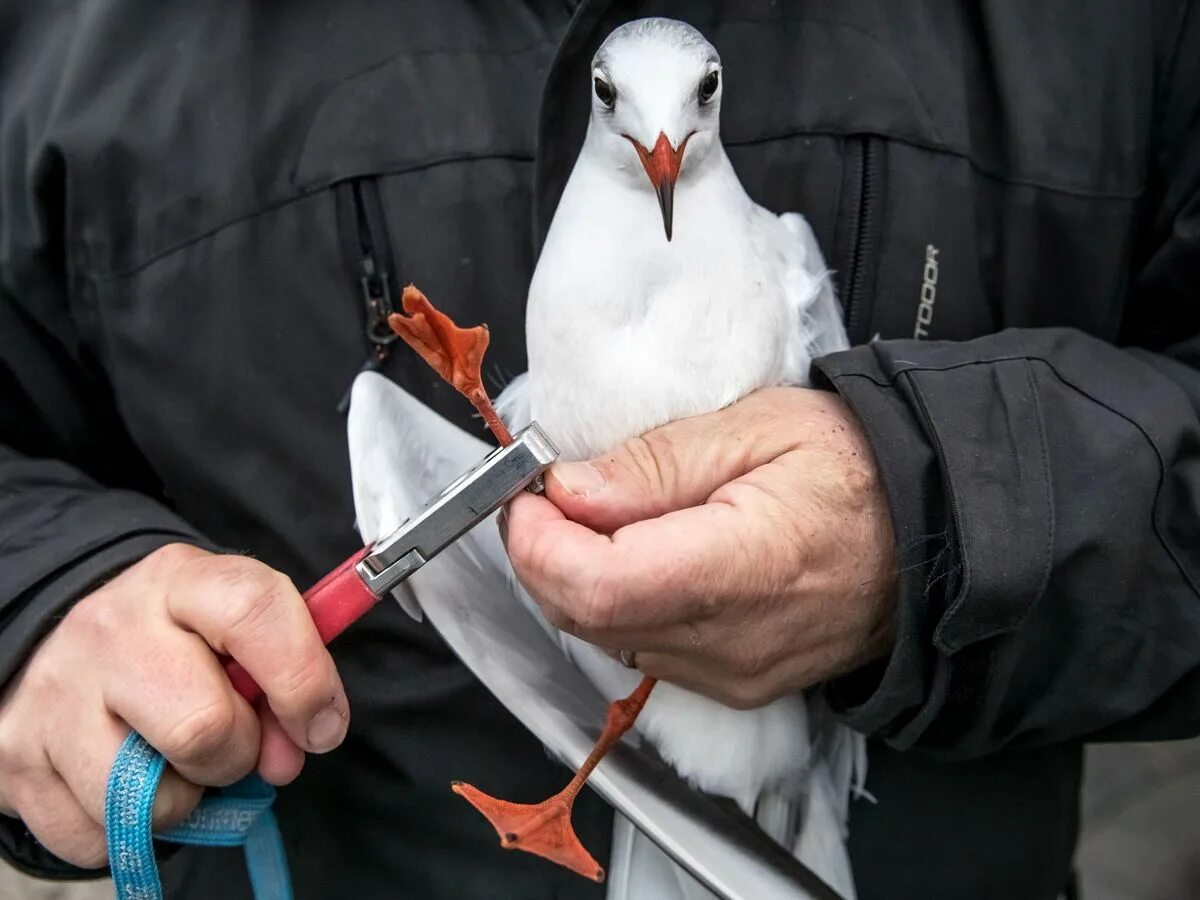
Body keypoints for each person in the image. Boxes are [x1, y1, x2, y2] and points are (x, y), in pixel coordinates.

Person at [0, 3, 1196, 898]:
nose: (663, 148)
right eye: (631, 113)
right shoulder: (74, 38)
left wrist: (924, 523)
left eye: (693, 114)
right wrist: (39, 602)